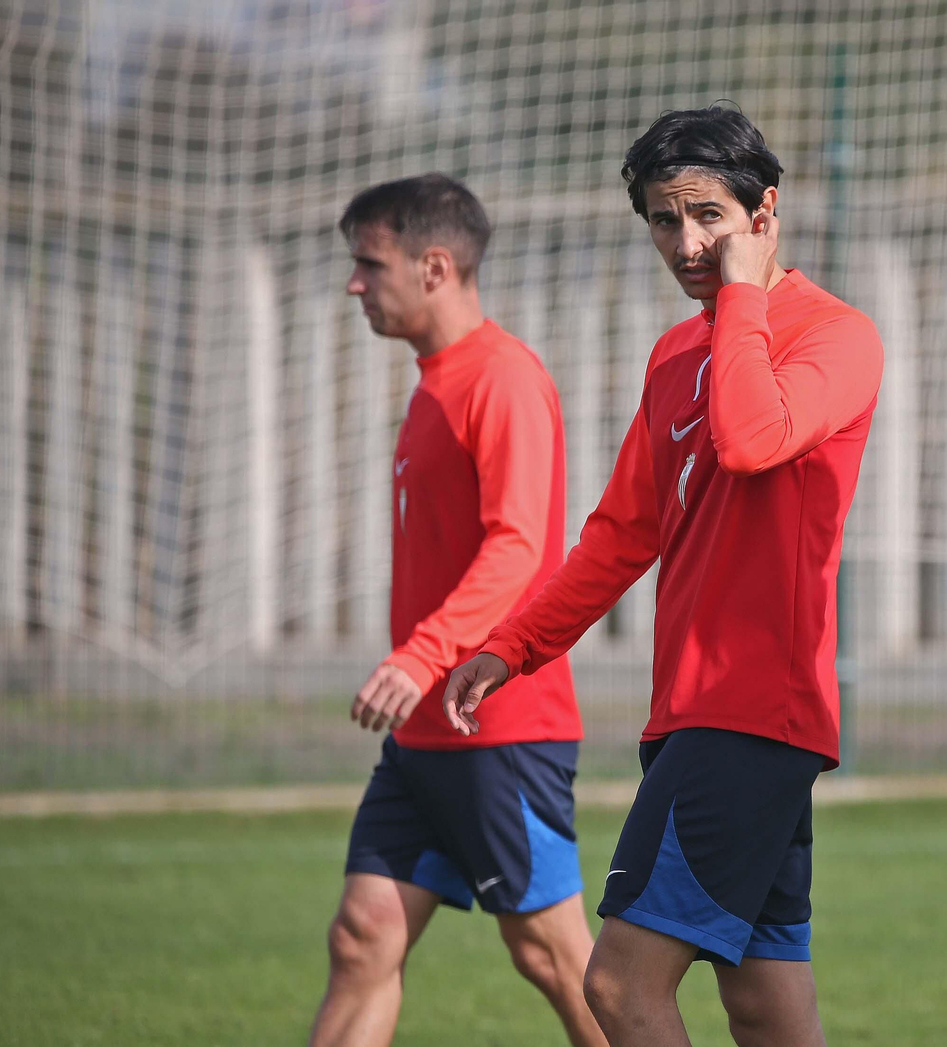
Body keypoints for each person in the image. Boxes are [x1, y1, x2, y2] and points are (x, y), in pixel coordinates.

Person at [443, 106, 885, 1047]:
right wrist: (511, 645)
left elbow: (752, 436)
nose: (686, 243)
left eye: (709, 218)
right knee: (765, 1004)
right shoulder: (678, 353)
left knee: (617, 985)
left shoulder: (836, 335)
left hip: (749, 711)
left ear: (765, 213)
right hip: (696, 714)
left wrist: (743, 299)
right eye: (662, 220)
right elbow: (618, 534)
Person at [310, 174, 606, 1047]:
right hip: (427, 736)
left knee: (553, 955)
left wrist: (418, 655)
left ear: (435, 266)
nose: (355, 284)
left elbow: (519, 553)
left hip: (501, 726)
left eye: (370, 263)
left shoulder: (503, 379)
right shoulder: (434, 382)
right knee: (363, 935)